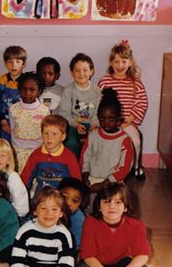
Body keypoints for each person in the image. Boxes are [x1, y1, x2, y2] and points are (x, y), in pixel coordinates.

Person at [1, 187, 91, 267]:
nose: (49, 213)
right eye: (43, 208)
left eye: (54, 209)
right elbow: (16, 264)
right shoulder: (24, 231)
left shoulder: (64, 234)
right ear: (35, 211)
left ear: (61, 213)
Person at [75, 183, 157, 267]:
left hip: (121, 265)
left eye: (118, 202)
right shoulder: (90, 222)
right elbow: (88, 256)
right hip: (97, 266)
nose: (111, 206)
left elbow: (142, 255)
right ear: (99, 206)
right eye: (106, 202)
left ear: (126, 207)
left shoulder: (136, 225)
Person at [98, 40, 148, 180]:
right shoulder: (105, 81)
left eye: (124, 61)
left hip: (127, 122)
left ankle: (136, 167)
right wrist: (104, 121)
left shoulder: (135, 83)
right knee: (102, 141)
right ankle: (105, 167)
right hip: (107, 122)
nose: (120, 65)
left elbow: (141, 103)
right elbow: (98, 103)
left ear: (130, 62)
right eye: (117, 61)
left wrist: (129, 120)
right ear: (111, 63)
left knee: (135, 141)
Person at [81, 88, 134, 194]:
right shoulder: (93, 136)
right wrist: (85, 174)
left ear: (119, 119)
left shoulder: (124, 140)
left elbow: (125, 167)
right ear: (98, 117)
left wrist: (105, 184)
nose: (106, 123)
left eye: (111, 119)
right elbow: (85, 157)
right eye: (102, 119)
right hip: (93, 178)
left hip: (114, 182)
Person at [21, 114, 82, 200]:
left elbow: (77, 182)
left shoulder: (69, 157)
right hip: (41, 197)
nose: (49, 138)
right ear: (41, 134)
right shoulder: (36, 155)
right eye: (46, 133)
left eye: (54, 134)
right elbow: (26, 177)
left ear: (63, 136)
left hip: (62, 198)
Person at [59, 53, 101, 158]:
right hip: (73, 124)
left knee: (98, 142)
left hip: (93, 124)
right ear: (71, 73)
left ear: (91, 71)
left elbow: (98, 112)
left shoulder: (97, 91)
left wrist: (94, 125)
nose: (81, 73)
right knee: (71, 143)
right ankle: (74, 166)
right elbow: (64, 113)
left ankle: (93, 168)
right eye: (77, 70)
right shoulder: (68, 90)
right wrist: (76, 124)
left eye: (85, 70)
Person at [9, 71, 50, 172]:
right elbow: (13, 128)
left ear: (39, 91)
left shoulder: (44, 110)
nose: (27, 93)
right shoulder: (13, 109)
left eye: (32, 90)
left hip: (38, 151)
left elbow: (46, 132)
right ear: (19, 89)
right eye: (24, 89)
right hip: (18, 151)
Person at [0, 46, 27, 140]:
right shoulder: (1, 81)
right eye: (10, 61)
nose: (14, 65)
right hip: (5, 120)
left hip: (23, 120)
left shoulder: (27, 81)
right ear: (5, 63)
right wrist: (4, 122)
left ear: (24, 64)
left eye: (18, 61)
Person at [57, 177, 89, 252]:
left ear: (80, 203)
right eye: (64, 197)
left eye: (75, 201)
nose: (68, 203)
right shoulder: (47, 209)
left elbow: (76, 247)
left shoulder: (79, 220)